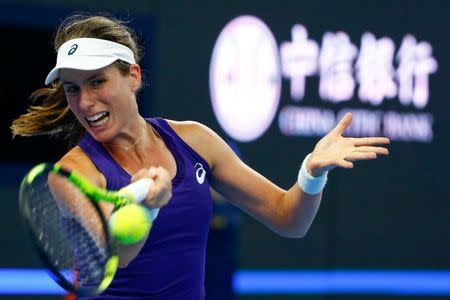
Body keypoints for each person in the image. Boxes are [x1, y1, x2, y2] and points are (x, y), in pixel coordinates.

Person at [10, 12, 390, 300]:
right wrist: (148, 207)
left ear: (134, 77)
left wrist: (311, 172)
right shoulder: (72, 173)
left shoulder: (195, 141)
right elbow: (117, 256)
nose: (85, 102)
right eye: (73, 89)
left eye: (98, 82)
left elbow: (288, 218)